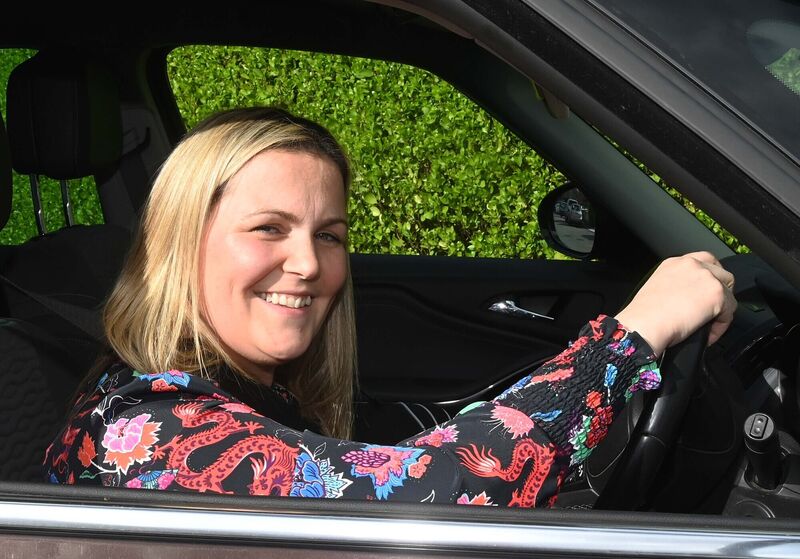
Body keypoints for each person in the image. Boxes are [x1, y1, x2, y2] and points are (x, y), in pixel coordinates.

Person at [44, 107, 736, 506]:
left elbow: (407, 447)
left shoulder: (246, 395)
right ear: (179, 245)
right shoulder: (155, 432)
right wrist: (627, 342)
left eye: (330, 236)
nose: (310, 264)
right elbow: (437, 494)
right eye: (268, 229)